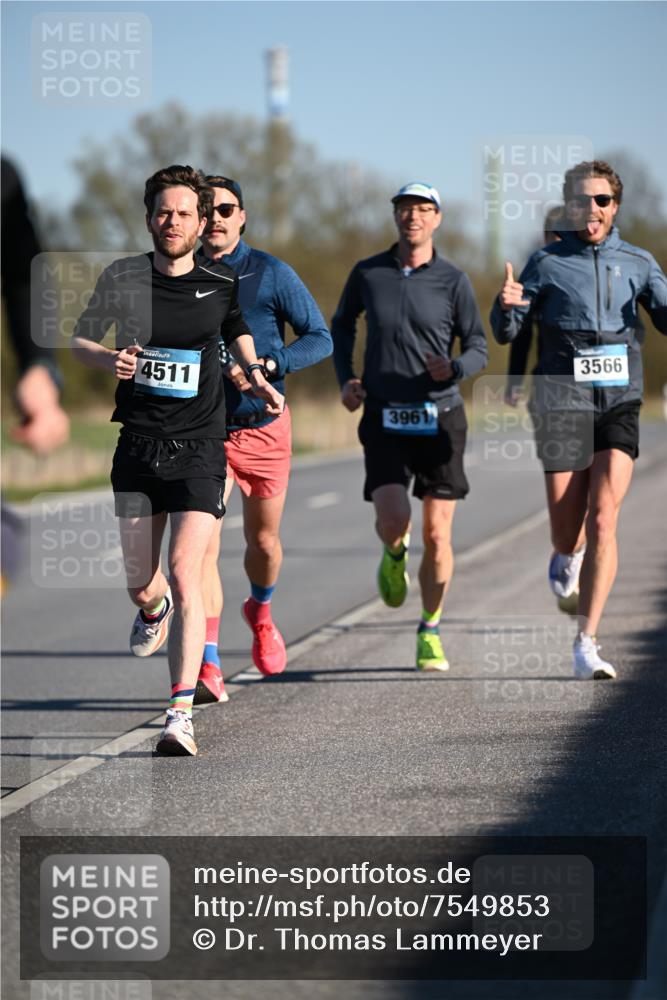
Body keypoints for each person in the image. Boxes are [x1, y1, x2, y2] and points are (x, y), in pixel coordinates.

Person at [72, 165, 284, 755]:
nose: (173, 222)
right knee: (144, 584)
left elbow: (238, 333)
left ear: (198, 223)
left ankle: (179, 712)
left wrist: (258, 376)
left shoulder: (220, 283)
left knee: (189, 572)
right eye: (163, 212)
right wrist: (107, 359)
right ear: (149, 219)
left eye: (185, 213)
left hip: (199, 447)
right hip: (138, 445)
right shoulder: (123, 277)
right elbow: (81, 339)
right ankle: (153, 606)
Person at [491, 160, 667, 680]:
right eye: (582, 202)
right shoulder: (544, 263)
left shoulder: (638, 261)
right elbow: (509, 332)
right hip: (561, 402)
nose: (592, 211)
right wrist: (505, 308)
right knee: (569, 531)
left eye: (602, 201)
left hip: (619, 401)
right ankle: (565, 555)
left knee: (605, 517)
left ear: (615, 207)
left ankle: (586, 642)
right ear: (569, 207)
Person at [331, 182, 487, 671]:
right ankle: (394, 554)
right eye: (404, 209)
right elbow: (341, 325)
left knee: (438, 536)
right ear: (395, 217)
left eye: (423, 210)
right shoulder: (368, 272)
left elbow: (479, 346)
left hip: (440, 413)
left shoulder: (454, 280)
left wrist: (455, 369)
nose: (413, 217)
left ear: (437, 218)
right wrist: (347, 378)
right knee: (395, 519)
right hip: (382, 413)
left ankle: (430, 628)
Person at [194, 176, 331, 703]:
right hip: (205, 433)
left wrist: (271, 365)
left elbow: (320, 336)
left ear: (243, 216)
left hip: (265, 426)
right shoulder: (179, 273)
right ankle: (207, 664)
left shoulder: (270, 272)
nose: (217, 217)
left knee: (264, 544)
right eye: (206, 209)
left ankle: (261, 610)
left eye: (226, 208)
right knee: (201, 551)